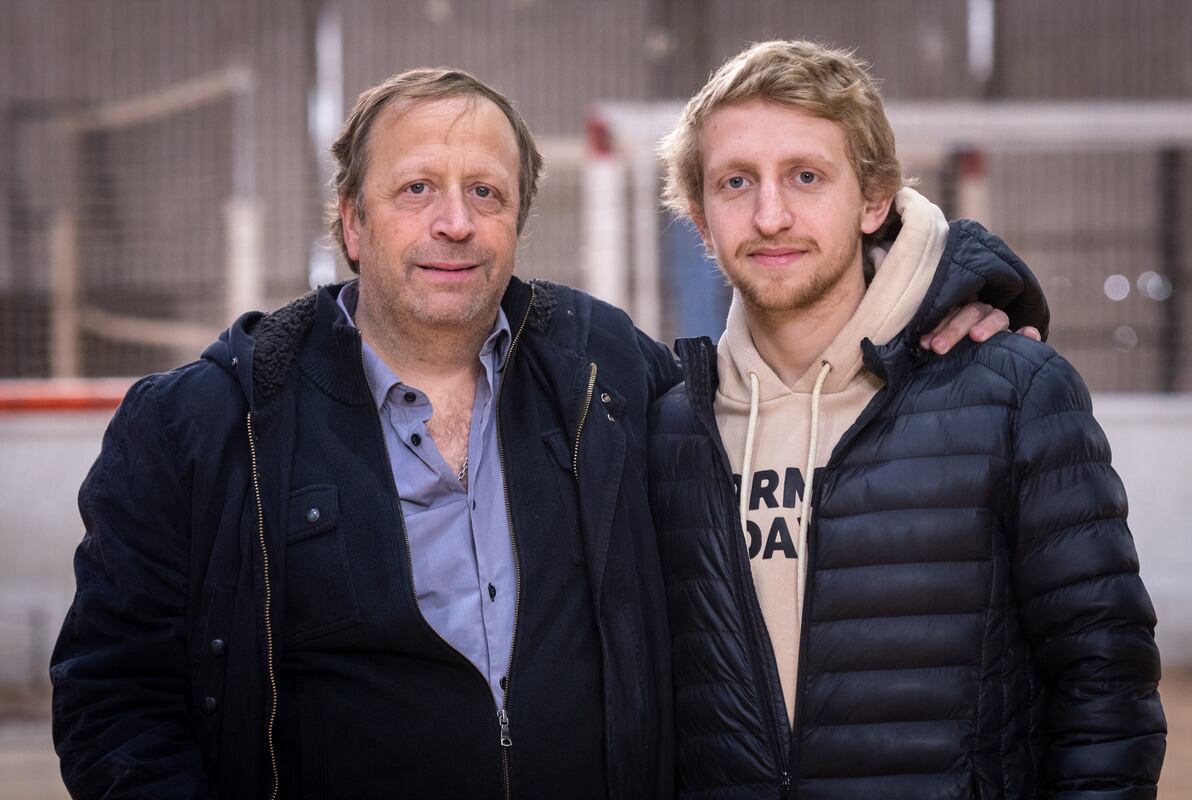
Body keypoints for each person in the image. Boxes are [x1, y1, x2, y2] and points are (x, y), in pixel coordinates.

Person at [50, 67, 1034, 799]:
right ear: (350, 222)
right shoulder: (206, 424)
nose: (454, 222)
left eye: (486, 191)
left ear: (519, 217)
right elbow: (113, 699)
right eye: (415, 190)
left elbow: (800, 342)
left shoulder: (608, 375)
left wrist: (968, 288)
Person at [649, 40, 1166, 799]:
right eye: (736, 182)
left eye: (805, 176)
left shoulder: (1013, 392)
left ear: (874, 198)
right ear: (700, 217)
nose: (770, 214)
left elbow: (1105, 687)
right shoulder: (668, 430)